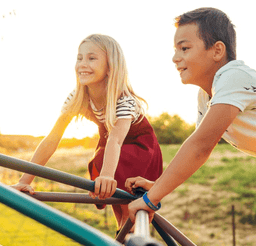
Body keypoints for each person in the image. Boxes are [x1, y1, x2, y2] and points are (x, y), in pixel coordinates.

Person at [125, 8, 256, 246]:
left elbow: (200, 147)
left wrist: (151, 200)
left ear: (217, 50)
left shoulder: (233, 76)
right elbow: (193, 153)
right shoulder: (207, 96)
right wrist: (160, 186)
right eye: (175, 49)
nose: (175, 57)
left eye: (185, 48)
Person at [12, 34, 163, 233]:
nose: (83, 64)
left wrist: (107, 175)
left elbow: (117, 139)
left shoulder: (123, 100)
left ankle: (132, 238)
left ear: (110, 66)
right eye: (79, 58)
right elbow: (53, 138)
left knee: (125, 202)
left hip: (140, 148)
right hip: (109, 148)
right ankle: (123, 235)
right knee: (115, 199)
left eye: (91, 58)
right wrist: (25, 181)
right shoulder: (77, 98)